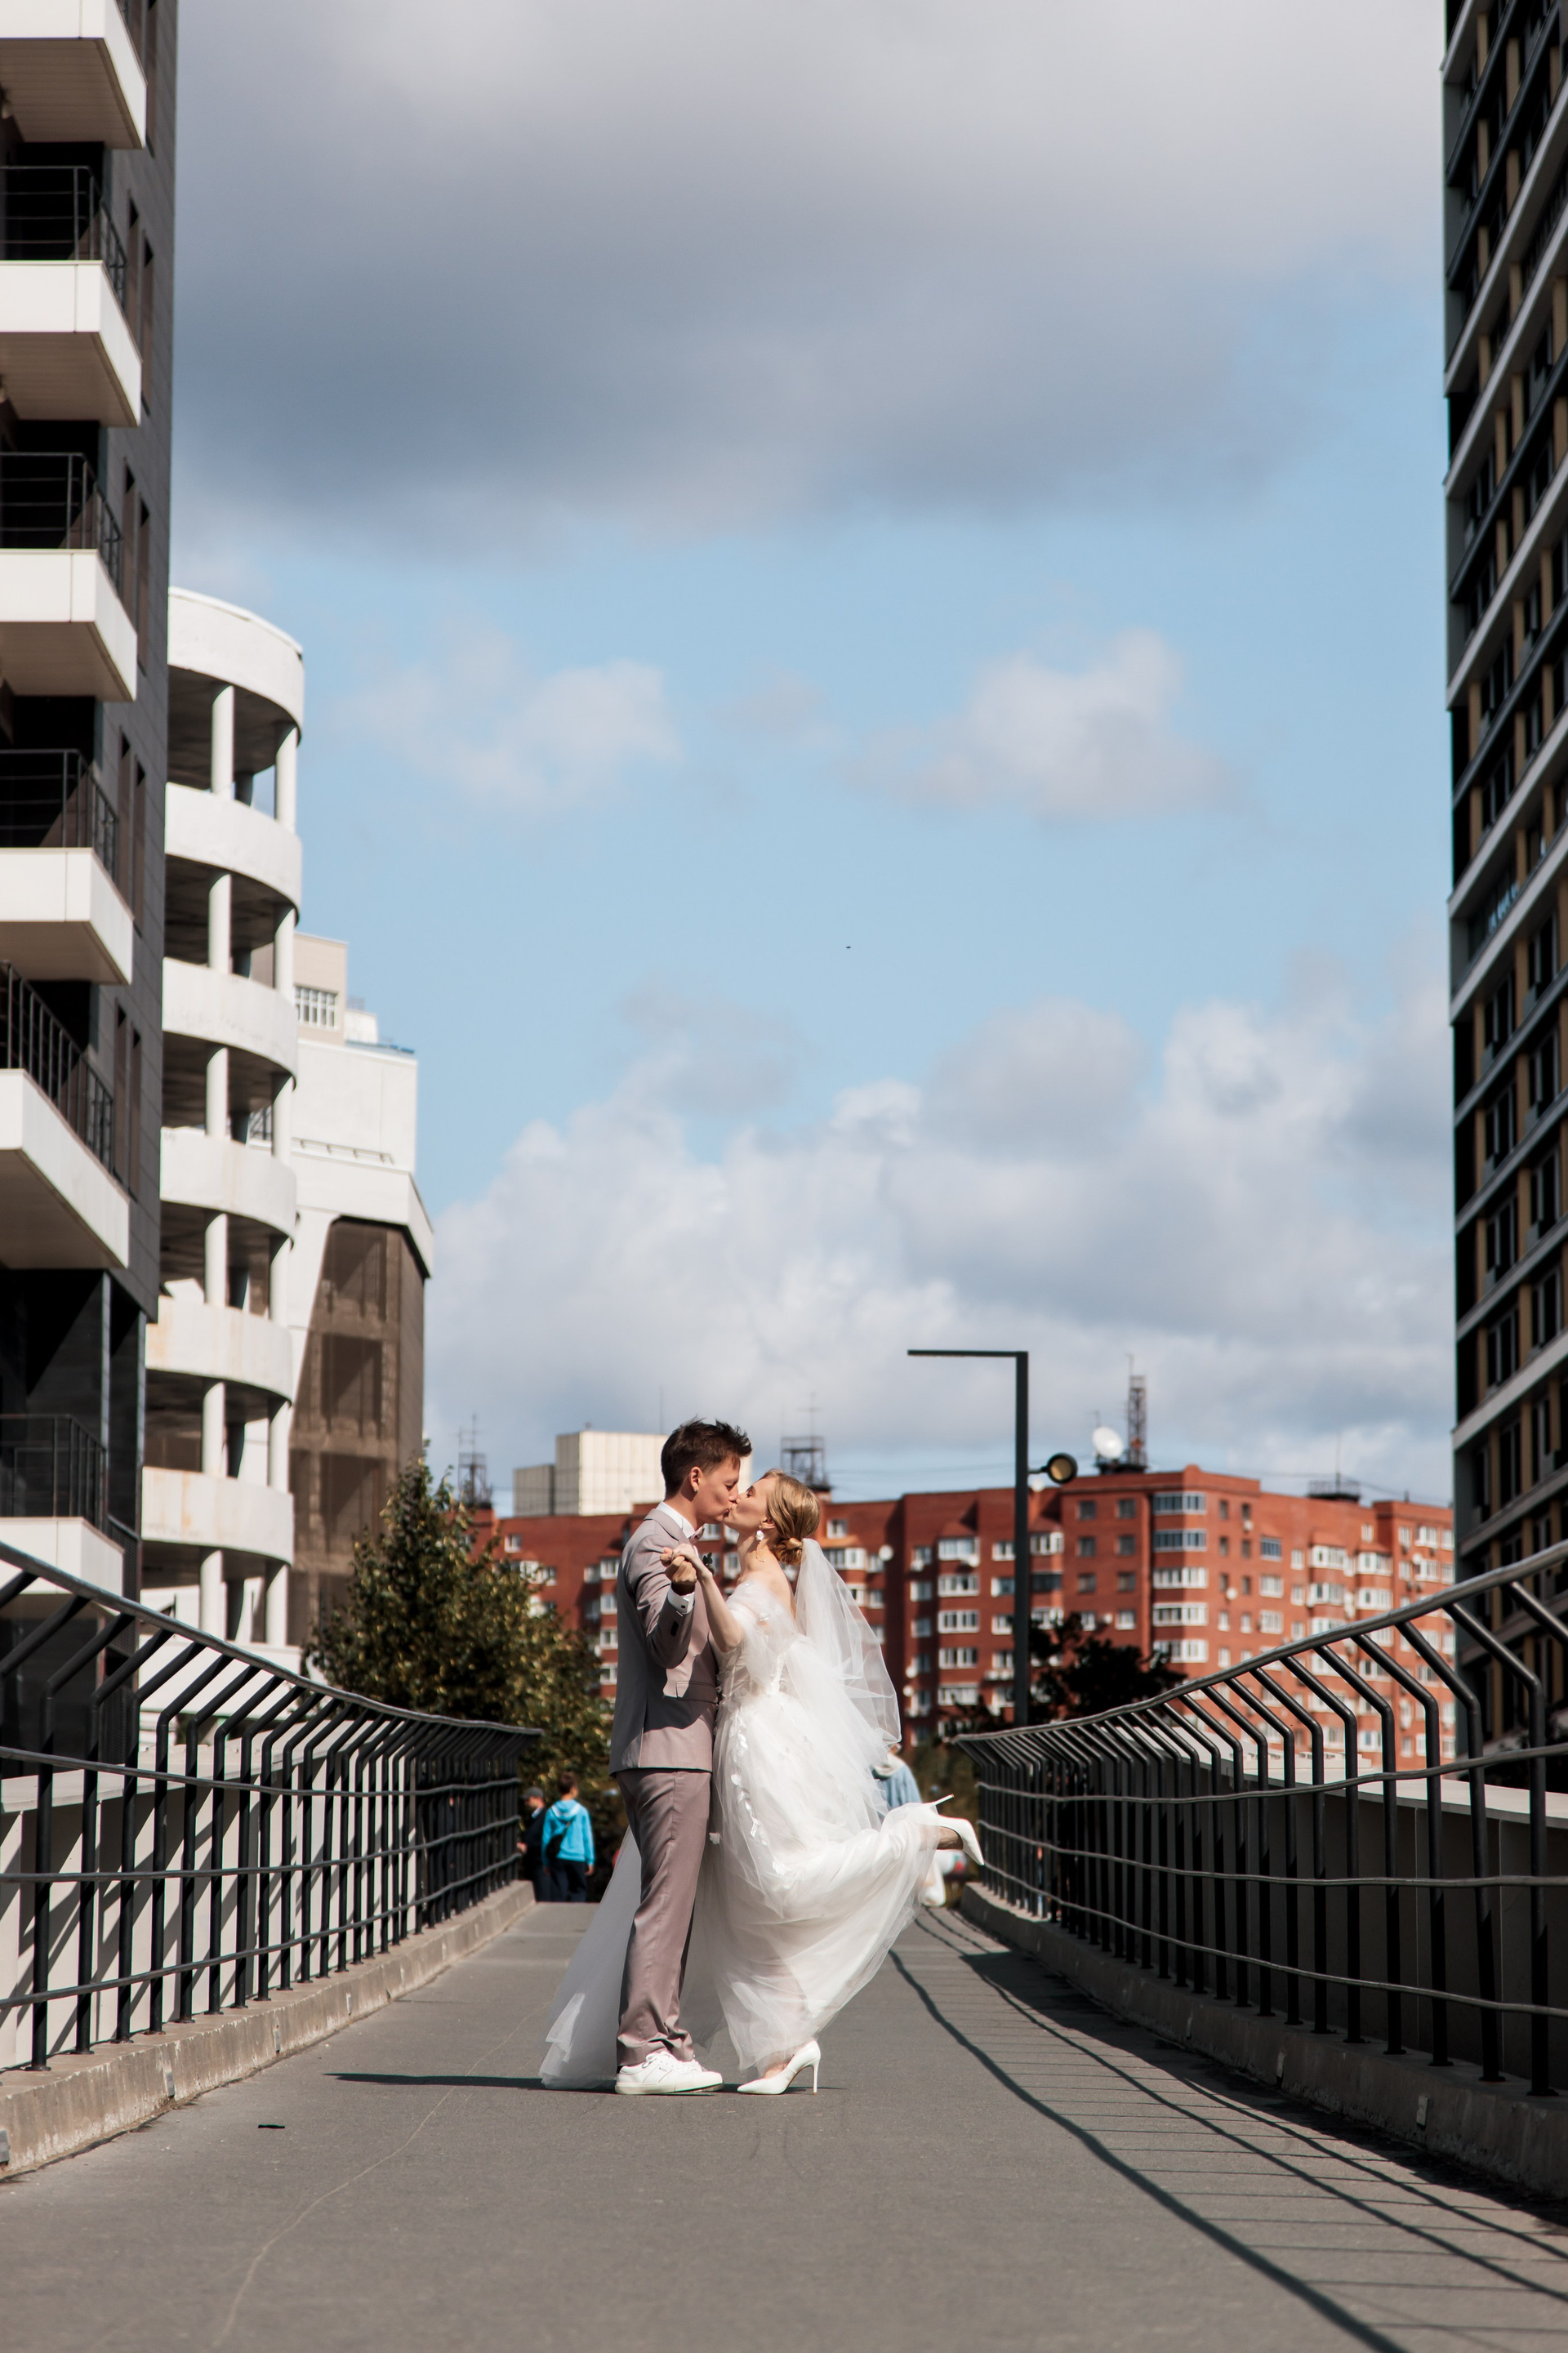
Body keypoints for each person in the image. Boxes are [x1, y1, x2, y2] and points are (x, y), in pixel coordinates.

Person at [541, 1467, 979, 2094]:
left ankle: (914, 1833)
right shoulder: (755, 1571)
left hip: (756, 1746)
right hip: (738, 1740)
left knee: (778, 1880)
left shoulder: (765, 1576)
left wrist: (701, 1579)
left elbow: (734, 1639)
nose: (738, 1495)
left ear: (768, 1521)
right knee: (745, 1902)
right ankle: (787, 2045)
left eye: (750, 1493)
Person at [604, 1417, 751, 2093]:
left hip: (676, 1746)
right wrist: (686, 1590)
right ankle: (642, 2051)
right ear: (696, 1476)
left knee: (676, 1901)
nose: (735, 1493)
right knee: (667, 1902)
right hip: (668, 1747)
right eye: (729, 1480)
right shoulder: (654, 1542)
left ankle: (666, 2038)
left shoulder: (677, 1541)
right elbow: (665, 1648)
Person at [541, 1772, 595, 1902]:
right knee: (579, 1890)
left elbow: (545, 1839)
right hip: (577, 1856)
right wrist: (590, 1860)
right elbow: (587, 1837)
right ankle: (576, 1914)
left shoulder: (551, 1812)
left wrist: (546, 1861)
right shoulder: (581, 1811)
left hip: (558, 1857)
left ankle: (559, 1914)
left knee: (558, 1891)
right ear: (573, 1789)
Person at [518, 1785, 547, 1895]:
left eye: (528, 1799)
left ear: (538, 1799)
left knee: (542, 1893)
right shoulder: (534, 1817)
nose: (526, 1803)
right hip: (534, 1862)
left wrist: (528, 1847)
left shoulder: (545, 1816)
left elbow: (545, 1839)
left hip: (540, 1862)